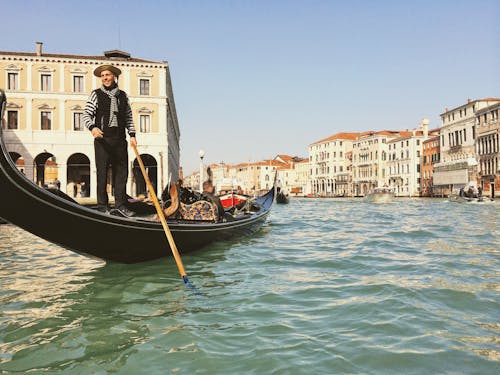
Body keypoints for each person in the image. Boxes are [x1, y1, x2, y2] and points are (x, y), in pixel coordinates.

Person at [83, 64, 136, 216]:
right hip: (103, 140)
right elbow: (86, 114)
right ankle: (102, 206)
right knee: (102, 172)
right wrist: (93, 128)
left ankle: (120, 205)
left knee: (122, 173)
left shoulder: (123, 96)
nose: (105, 78)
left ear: (114, 76)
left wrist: (132, 135)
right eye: (103, 76)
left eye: (108, 75)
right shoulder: (96, 94)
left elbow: (128, 117)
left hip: (120, 140)